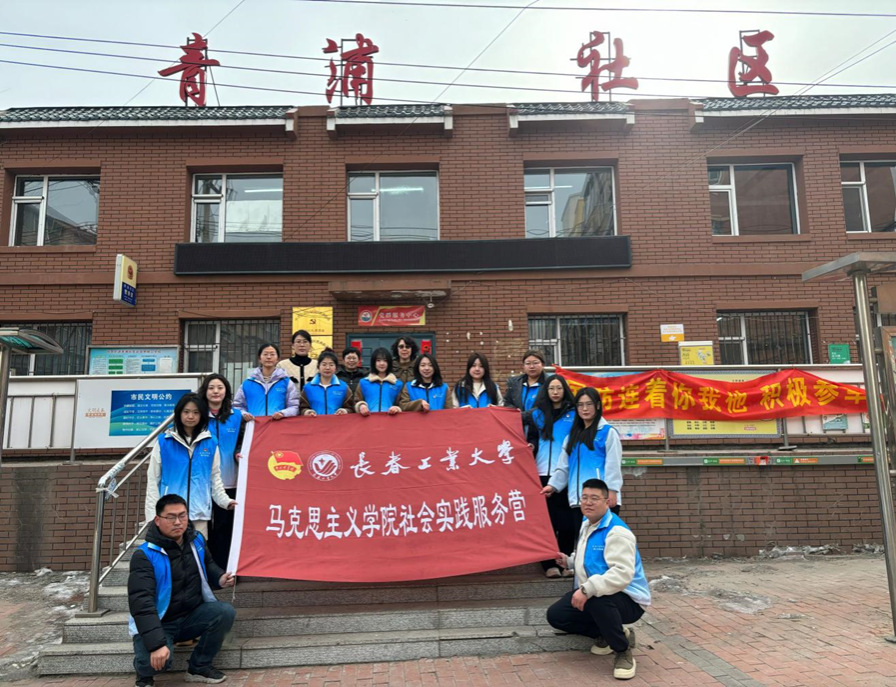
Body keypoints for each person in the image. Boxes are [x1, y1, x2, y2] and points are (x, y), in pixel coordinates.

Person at [545, 479, 650, 681]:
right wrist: (569, 561)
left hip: (629, 599)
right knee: (557, 615)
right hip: (598, 592)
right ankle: (612, 633)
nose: (588, 502)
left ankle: (623, 651)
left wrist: (586, 590)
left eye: (594, 498)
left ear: (607, 502)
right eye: (584, 497)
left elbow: (621, 573)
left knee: (596, 599)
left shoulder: (617, 532)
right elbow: (589, 557)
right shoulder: (587, 524)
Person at [129, 494, 237, 686]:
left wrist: (220, 578)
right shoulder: (144, 555)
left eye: (182, 515)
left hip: (190, 617)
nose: (178, 522)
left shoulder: (196, 540)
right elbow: (142, 604)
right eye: (171, 517)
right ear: (157, 520)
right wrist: (156, 645)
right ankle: (143, 675)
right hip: (160, 622)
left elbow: (208, 564)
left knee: (224, 612)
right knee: (154, 663)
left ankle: (199, 667)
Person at [144, 394, 235, 539]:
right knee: (171, 552)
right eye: (186, 412)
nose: (190, 416)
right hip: (170, 514)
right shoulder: (164, 442)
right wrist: (152, 514)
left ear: (202, 415)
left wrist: (225, 501)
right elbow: (153, 480)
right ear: (179, 413)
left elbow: (214, 479)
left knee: (197, 552)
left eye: (195, 412)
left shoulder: (211, 442)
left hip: (199, 513)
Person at [541, 387, 623, 515]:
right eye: (580, 405)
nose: (585, 409)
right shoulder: (571, 437)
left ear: (597, 406)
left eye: (589, 404)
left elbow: (613, 465)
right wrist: (552, 485)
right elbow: (563, 467)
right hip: (578, 500)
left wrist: (612, 489)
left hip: (601, 500)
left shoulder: (607, 432)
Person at [531, 375, 578, 578]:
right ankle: (549, 565)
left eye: (559, 388)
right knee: (546, 523)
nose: (555, 392)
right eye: (551, 388)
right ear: (546, 391)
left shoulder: (574, 414)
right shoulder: (537, 414)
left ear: (564, 390)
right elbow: (530, 436)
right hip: (541, 473)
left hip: (566, 473)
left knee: (566, 523)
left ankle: (565, 562)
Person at [200, 374, 245, 567]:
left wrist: (238, 452)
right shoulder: (198, 416)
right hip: (202, 483)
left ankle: (226, 569)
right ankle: (205, 569)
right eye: (211, 388)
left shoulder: (237, 416)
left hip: (230, 481)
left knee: (225, 528)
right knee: (204, 529)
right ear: (205, 391)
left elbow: (243, 442)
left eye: (220, 387)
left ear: (226, 391)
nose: (215, 391)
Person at [234, 343, 300, 420]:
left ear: (278, 358)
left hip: (278, 425)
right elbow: (237, 406)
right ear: (259, 358)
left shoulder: (286, 382)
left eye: (272, 354)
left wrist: (282, 413)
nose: (268, 357)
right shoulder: (247, 384)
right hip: (254, 424)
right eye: (265, 354)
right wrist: (244, 414)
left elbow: (294, 407)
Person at [503, 349, 546, 448]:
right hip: (516, 429)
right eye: (528, 363)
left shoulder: (549, 384)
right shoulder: (514, 383)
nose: (532, 366)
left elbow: (544, 406)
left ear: (543, 364)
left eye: (535, 363)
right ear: (523, 366)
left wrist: (521, 416)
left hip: (539, 430)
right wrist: (514, 413)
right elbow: (507, 401)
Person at [301, 348, 354, 416]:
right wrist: (307, 412)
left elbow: (351, 408)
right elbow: (301, 408)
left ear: (336, 368)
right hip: (314, 422)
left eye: (331, 365)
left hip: (337, 422)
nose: (327, 368)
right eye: (324, 364)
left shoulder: (343, 387)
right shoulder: (308, 387)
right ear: (318, 367)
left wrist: (345, 411)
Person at [354, 347, 403, 416]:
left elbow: (402, 404)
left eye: (385, 360)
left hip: (390, 420)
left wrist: (397, 408)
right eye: (378, 360)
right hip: (368, 420)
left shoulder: (397, 384)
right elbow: (356, 401)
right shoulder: (364, 382)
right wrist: (361, 405)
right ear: (373, 362)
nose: (382, 363)